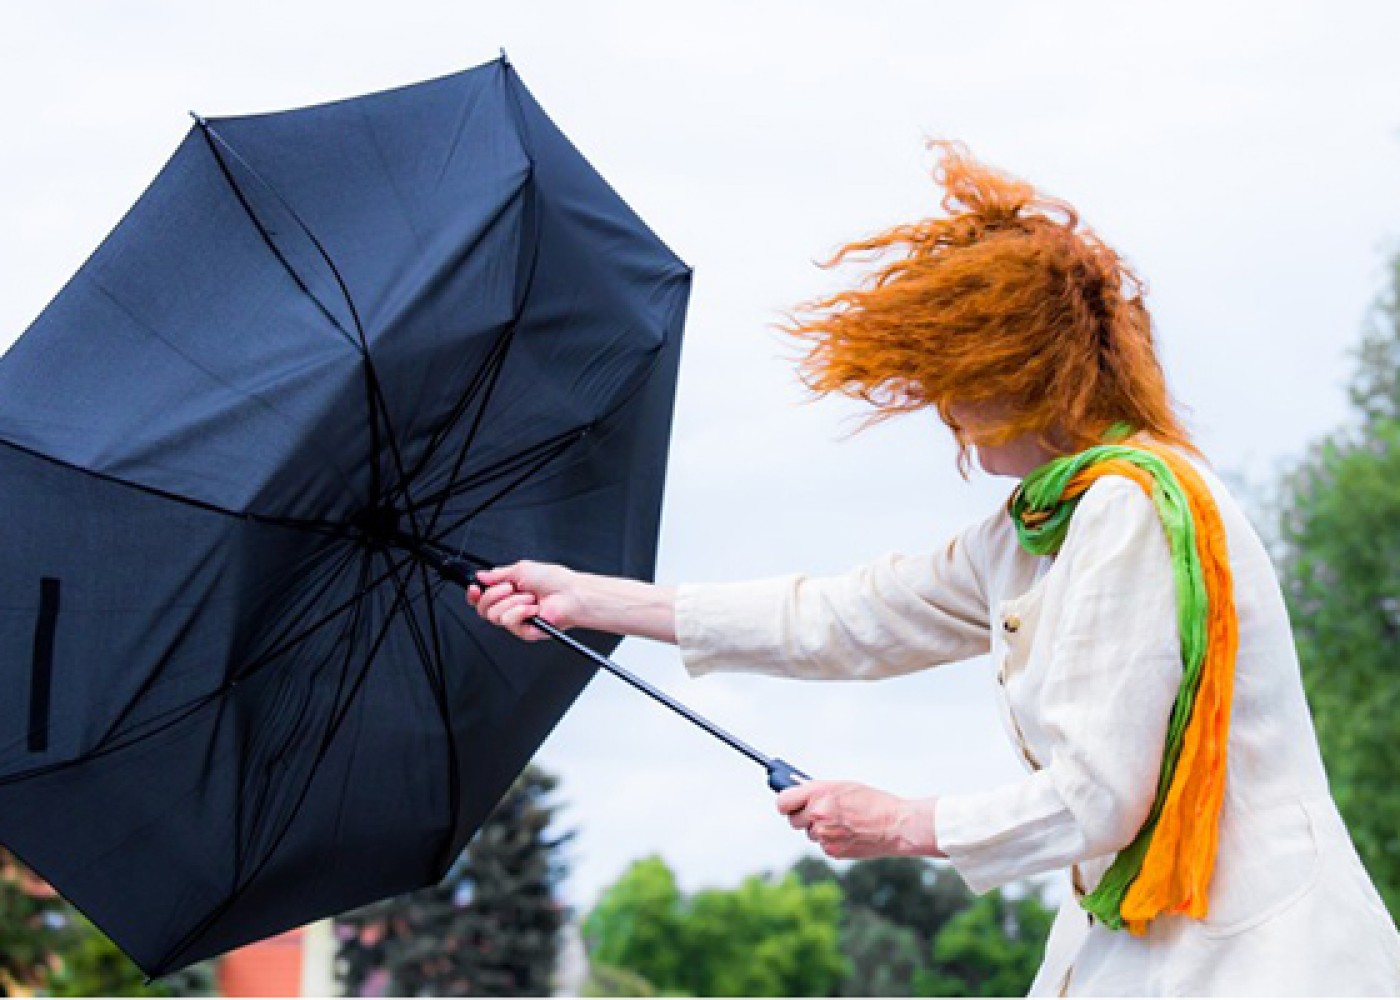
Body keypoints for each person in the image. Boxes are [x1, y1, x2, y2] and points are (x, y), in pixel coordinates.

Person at [466, 143, 1400, 995]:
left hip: (1257, 959)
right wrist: (592, 599)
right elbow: (842, 616)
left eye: (949, 371)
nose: (937, 404)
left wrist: (903, 824)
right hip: (1154, 947)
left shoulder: (1128, 511)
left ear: (1026, 368)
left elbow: (1098, 798)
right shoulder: (1042, 523)